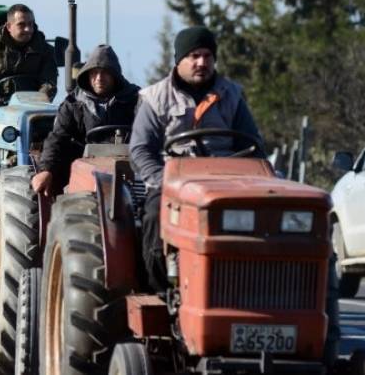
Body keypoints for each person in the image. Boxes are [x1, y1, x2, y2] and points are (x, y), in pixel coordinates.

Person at [129, 26, 339, 364]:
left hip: (226, 181)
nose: (201, 63)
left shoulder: (231, 94)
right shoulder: (155, 97)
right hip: (175, 182)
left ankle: (267, 302)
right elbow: (141, 150)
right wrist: (160, 182)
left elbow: (251, 143)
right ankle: (160, 289)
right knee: (154, 214)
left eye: (207, 56)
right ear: (179, 60)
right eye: (194, 56)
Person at [31, 45, 139, 195]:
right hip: (84, 169)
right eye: (94, 73)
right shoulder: (74, 104)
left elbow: (151, 131)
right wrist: (46, 169)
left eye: (105, 73)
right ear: (87, 75)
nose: (99, 78)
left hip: (129, 165)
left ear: (115, 75)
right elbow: (57, 138)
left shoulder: (135, 100)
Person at [0, 3, 58, 111]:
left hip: (32, 107)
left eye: (30, 24)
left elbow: (49, 83)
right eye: (21, 25)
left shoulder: (46, 50)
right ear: (9, 26)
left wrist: (37, 104)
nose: (28, 29)